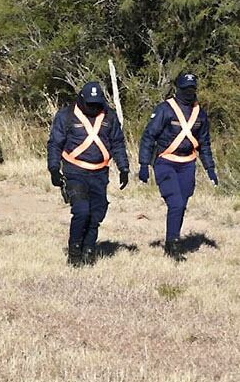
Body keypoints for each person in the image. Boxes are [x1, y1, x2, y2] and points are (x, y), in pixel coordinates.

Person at [47, 82, 129, 266]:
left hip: (100, 173)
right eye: (90, 104)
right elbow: (55, 143)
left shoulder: (110, 116)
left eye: (96, 104)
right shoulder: (66, 115)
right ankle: (74, 251)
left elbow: (117, 143)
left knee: (96, 215)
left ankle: (89, 250)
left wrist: (124, 168)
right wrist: (54, 169)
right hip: (74, 171)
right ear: (82, 99)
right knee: (81, 211)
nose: (93, 107)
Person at [137, 73, 218, 259]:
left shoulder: (201, 115)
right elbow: (149, 136)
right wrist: (143, 165)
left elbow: (204, 144)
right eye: (186, 89)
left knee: (182, 204)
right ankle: (172, 244)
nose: (189, 93)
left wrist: (210, 169)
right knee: (176, 202)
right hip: (166, 162)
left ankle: (172, 238)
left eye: (192, 89)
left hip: (188, 164)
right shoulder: (165, 109)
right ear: (178, 89)